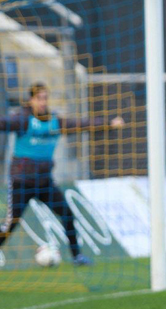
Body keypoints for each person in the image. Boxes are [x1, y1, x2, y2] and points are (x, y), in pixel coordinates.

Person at [0, 83, 124, 266]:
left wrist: (109, 123)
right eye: (39, 98)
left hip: (44, 183)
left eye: (45, 98)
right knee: (10, 225)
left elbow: (82, 124)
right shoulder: (23, 119)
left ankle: (77, 256)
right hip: (21, 182)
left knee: (67, 214)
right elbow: (4, 123)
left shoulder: (55, 121)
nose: (42, 102)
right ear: (31, 100)